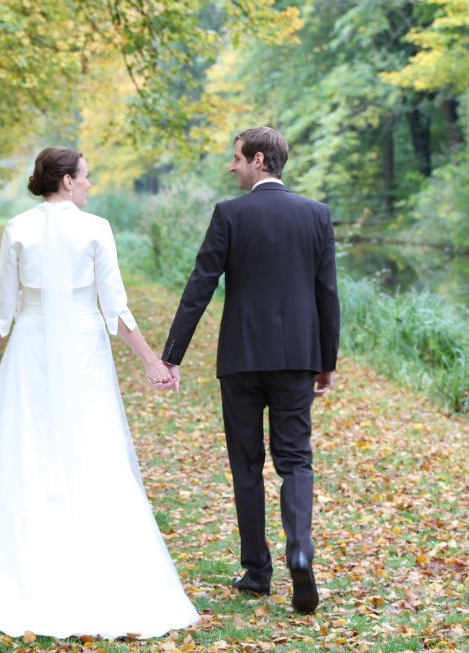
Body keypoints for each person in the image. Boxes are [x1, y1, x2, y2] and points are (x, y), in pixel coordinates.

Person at [0, 147, 200, 639]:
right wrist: (151, 362)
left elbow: (3, 310)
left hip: (29, 348)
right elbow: (115, 309)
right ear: (67, 181)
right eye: (86, 176)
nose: (90, 184)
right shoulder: (96, 229)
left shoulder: (18, 228)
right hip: (83, 348)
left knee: (27, 446)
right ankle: (96, 565)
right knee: (90, 443)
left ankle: (16, 568)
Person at [161, 127, 340, 614]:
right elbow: (327, 293)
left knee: (246, 464)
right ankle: (299, 550)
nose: (232, 166)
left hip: (240, 358)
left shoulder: (230, 214)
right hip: (297, 358)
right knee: (295, 459)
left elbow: (200, 285)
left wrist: (173, 354)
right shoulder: (317, 214)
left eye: (236, 158)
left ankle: (258, 571)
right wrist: (326, 361)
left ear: (259, 160)